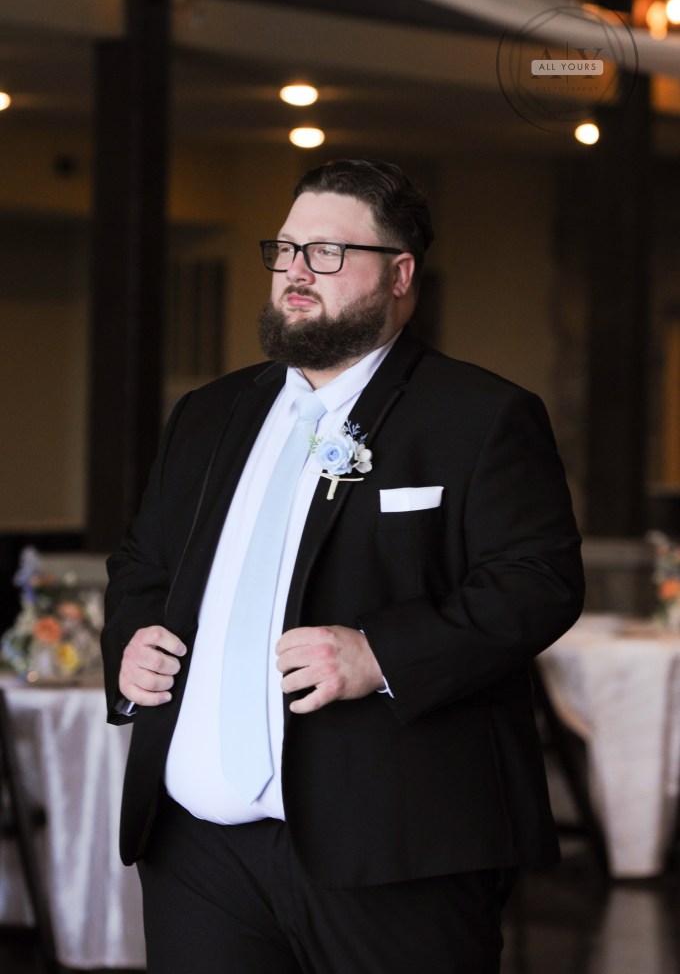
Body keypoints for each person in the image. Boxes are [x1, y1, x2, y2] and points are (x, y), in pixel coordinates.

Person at [101, 158, 584, 974]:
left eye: (327, 252)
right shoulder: (209, 414)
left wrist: (380, 654)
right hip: (195, 851)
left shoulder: (480, 415)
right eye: (286, 248)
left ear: (400, 274)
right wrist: (132, 636)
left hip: (393, 848)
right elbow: (144, 560)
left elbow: (538, 582)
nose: (296, 270)